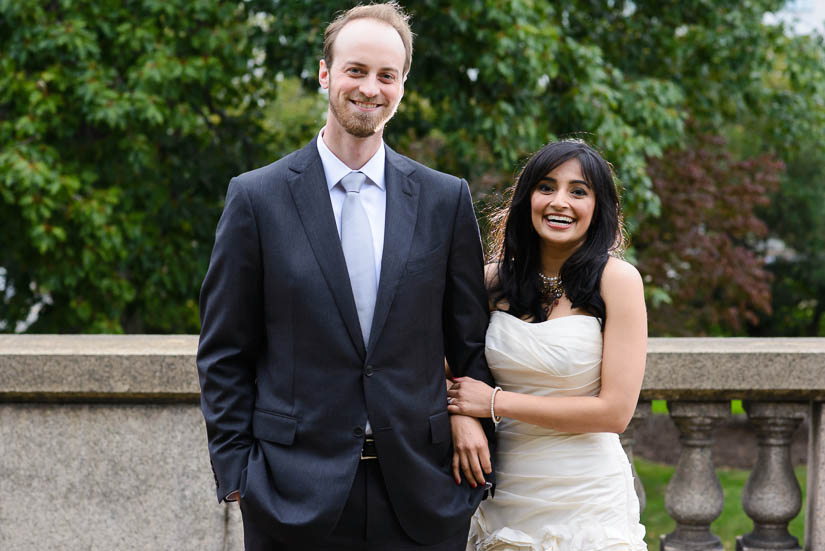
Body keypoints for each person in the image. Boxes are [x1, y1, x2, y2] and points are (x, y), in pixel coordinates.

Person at [196, 3, 495, 550]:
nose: (370, 88)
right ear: (325, 73)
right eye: (356, 70)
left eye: (387, 75)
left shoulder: (443, 198)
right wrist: (238, 473)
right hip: (292, 496)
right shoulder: (256, 198)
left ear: (403, 84)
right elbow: (224, 351)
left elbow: (469, 339)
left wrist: (476, 421)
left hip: (423, 492)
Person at [446, 140, 648, 550]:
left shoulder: (618, 282)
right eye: (546, 187)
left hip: (588, 498)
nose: (560, 202)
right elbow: (436, 367)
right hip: (507, 491)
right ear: (527, 199)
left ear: (598, 207)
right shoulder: (489, 282)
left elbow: (615, 412)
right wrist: (461, 418)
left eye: (578, 191)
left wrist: (495, 403)